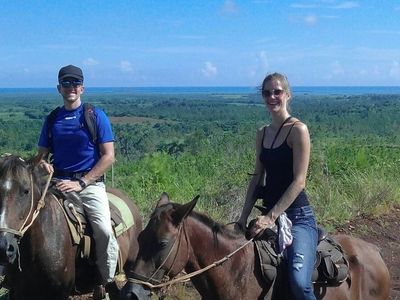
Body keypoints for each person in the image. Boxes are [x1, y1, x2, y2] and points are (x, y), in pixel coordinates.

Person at [37, 65, 118, 300]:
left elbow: (108, 156)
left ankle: (104, 280)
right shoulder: (53, 119)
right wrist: (44, 164)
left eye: (74, 84)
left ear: (82, 88)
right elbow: (41, 154)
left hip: (89, 184)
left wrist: (83, 182)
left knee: (103, 230)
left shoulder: (95, 116)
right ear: (59, 88)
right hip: (58, 182)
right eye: (66, 84)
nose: (70, 88)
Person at [237, 72, 318, 300]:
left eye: (277, 91)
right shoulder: (262, 133)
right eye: (266, 93)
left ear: (288, 95)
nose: (272, 96)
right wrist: (242, 218)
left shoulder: (297, 130)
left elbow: (299, 181)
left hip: (297, 216)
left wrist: (271, 218)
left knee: (300, 282)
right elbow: (257, 177)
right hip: (267, 214)